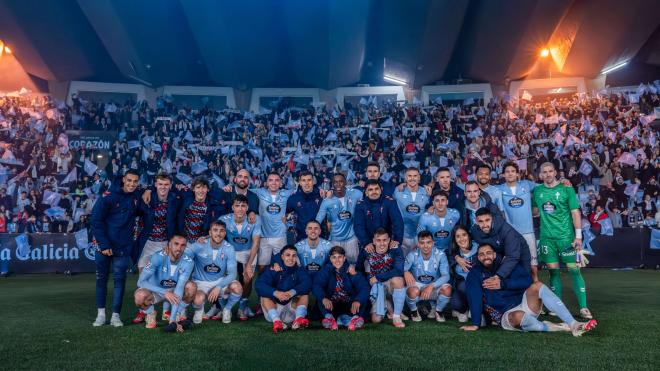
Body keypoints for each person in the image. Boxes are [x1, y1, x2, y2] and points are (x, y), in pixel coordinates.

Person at [461, 244, 597, 337]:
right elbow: (475, 297)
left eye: (489, 253)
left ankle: (573, 324)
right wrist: (475, 324)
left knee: (537, 285)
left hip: (525, 303)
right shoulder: (475, 273)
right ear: (478, 257)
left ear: (495, 254)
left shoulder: (506, 264)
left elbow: (527, 281)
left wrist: (503, 284)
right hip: (506, 314)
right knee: (518, 316)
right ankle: (552, 327)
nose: (486, 256)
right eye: (482, 254)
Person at [533, 162, 592, 319]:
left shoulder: (566, 188)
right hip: (547, 239)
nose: (547, 174)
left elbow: (575, 213)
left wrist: (578, 236)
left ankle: (584, 308)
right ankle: (555, 307)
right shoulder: (537, 191)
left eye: (550, 171)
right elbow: (534, 211)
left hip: (566, 239)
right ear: (540, 175)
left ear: (555, 172)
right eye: (544, 172)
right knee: (553, 272)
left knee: (574, 270)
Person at [91, 170, 143, 327]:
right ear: (123, 180)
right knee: (101, 280)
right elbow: (96, 221)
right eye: (129, 180)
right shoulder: (107, 196)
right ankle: (100, 315)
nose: (132, 184)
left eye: (135, 181)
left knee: (119, 281)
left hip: (122, 247)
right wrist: (104, 244)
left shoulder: (136, 196)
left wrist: (147, 191)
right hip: (103, 246)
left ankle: (115, 316)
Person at [132, 173, 182, 324]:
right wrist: (146, 189)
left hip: (165, 243)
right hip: (148, 242)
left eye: (166, 184)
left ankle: (166, 311)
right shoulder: (147, 197)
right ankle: (145, 310)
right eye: (160, 184)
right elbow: (134, 192)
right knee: (143, 278)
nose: (163, 187)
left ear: (171, 186)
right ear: (155, 184)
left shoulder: (175, 199)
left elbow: (186, 190)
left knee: (167, 278)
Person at [133, 235, 196, 332]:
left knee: (191, 287)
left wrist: (173, 320)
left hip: (174, 291)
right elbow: (140, 282)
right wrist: (164, 292)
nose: (179, 248)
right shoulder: (157, 257)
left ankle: (177, 313)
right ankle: (150, 313)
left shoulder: (188, 262)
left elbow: (179, 288)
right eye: (176, 244)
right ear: (169, 244)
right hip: (155, 291)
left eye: (183, 245)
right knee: (139, 296)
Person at [185, 220, 242, 324]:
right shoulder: (199, 245)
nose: (218, 233)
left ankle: (227, 309)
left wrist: (219, 286)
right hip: (200, 282)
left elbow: (232, 274)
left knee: (237, 287)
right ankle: (199, 310)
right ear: (210, 232)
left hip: (219, 281)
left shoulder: (229, 248)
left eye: (221, 231)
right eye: (215, 230)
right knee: (198, 299)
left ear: (225, 233)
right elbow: (183, 255)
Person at [218, 194, 261, 320]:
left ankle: (242, 307)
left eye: (243, 206)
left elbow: (256, 243)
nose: (240, 209)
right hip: (230, 251)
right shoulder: (224, 219)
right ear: (232, 207)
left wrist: (248, 265)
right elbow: (215, 234)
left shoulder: (254, 219)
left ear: (247, 207)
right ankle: (224, 307)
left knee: (247, 278)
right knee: (221, 277)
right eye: (237, 206)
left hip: (248, 251)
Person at [496, 161, 539, 281]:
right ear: (503, 175)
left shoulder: (526, 184)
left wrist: (562, 181)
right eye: (507, 172)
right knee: (511, 263)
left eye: (513, 171)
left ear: (517, 174)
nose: (510, 174)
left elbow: (542, 186)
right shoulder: (499, 189)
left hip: (528, 231)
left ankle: (535, 287)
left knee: (533, 265)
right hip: (511, 234)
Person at [356, 228, 406, 328]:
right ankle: (388, 306)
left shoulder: (395, 249)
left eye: (384, 240)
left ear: (389, 240)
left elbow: (399, 271)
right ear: (373, 241)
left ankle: (396, 316)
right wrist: (367, 280)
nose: (382, 243)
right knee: (376, 320)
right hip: (375, 285)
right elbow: (359, 269)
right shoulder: (367, 250)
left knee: (398, 280)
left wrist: (378, 277)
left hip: (388, 282)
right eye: (378, 240)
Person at [255, 245, 312, 333]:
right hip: (275, 309)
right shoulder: (273, 269)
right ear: (282, 256)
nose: (291, 258)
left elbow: (307, 283)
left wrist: (292, 292)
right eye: (288, 255)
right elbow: (259, 284)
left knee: (304, 294)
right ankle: (277, 322)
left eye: (294, 255)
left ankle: (299, 319)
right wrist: (275, 293)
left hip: (291, 309)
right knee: (265, 296)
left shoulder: (299, 269)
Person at [312, 246, 369, 331]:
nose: (337, 260)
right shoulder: (326, 270)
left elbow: (364, 287)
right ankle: (330, 319)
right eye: (334, 257)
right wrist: (324, 298)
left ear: (344, 258)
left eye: (340, 257)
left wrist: (358, 300)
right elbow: (316, 285)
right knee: (321, 299)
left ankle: (355, 319)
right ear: (330, 259)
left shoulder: (351, 270)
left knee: (362, 300)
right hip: (332, 304)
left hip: (349, 303)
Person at [404, 231, 451, 322]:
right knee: (412, 291)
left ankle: (438, 311)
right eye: (422, 243)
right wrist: (405, 272)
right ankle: (414, 311)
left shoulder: (440, 255)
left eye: (428, 242)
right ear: (418, 244)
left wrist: (431, 285)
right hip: (418, 285)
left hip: (433, 286)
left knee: (447, 289)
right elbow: (401, 270)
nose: (425, 246)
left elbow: (446, 276)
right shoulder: (412, 255)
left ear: (433, 243)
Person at [470, 208, 531, 279]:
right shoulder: (475, 232)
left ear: (492, 218)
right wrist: (457, 257)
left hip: (519, 252)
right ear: (476, 222)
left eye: (487, 220)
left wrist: (498, 276)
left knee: (524, 278)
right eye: (481, 221)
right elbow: (465, 242)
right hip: (499, 253)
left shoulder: (506, 230)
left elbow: (513, 256)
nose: (484, 225)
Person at [250, 172, 294, 271]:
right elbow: (243, 191)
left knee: (282, 266)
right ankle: (263, 285)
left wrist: (323, 191)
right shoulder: (259, 192)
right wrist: (228, 188)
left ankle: (280, 286)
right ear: (266, 183)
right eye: (271, 180)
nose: (274, 183)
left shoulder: (286, 193)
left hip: (280, 236)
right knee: (262, 267)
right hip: (264, 236)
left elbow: (303, 190)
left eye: (277, 180)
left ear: (281, 183)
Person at [315, 173, 363, 263]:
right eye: (335, 182)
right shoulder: (327, 201)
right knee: (336, 266)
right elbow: (318, 219)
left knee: (353, 265)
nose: (338, 184)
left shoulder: (356, 194)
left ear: (345, 182)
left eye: (341, 181)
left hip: (351, 238)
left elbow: (366, 203)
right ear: (332, 184)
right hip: (335, 239)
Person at [354, 180, 404, 251]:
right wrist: (366, 243)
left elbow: (398, 222)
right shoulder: (360, 205)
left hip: (387, 243)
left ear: (381, 190)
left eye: (376, 189)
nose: (374, 192)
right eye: (370, 190)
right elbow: (358, 226)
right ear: (366, 192)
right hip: (369, 244)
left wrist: (397, 240)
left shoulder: (389, 202)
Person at [393, 167, 431, 256]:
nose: (412, 178)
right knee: (403, 262)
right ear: (405, 178)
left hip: (421, 236)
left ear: (419, 178)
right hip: (403, 235)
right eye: (409, 176)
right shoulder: (398, 191)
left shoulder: (426, 192)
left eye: (415, 176)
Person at [177, 177, 223, 242]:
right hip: (186, 242)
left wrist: (206, 237)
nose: (201, 191)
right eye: (198, 187)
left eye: (204, 187)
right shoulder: (186, 201)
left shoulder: (212, 206)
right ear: (193, 189)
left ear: (208, 189)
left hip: (203, 242)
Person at [450, 225, 478, 323]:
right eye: (458, 236)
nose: (461, 239)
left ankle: (477, 309)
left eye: (464, 235)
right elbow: (449, 255)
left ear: (469, 236)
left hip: (479, 286)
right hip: (463, 288)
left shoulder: (478, 248)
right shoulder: (454, 253)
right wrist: (457, 258)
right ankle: (464, 310)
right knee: (455, 302)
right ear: (455, 239)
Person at [286, 171, 322, 242]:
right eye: (303, 180)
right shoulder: (293, 198)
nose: (306, 183)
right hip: (301, 238)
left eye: (309, 180)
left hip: (320, 238)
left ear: (313, 181)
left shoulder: (321, 195)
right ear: (300, 182)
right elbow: (284, 213)